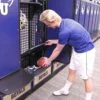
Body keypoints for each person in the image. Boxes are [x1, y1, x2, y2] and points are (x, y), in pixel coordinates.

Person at [39, 9, 95, 100]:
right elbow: (66, 39)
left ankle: (88, 98)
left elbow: (58, 50)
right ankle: (65, 90)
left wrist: (48, 61)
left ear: (52, 21)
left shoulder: (64, 31)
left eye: (47, 24)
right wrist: (53, 41)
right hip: (77, 49)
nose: (48, 26)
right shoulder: (66, 22)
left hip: (85, 53)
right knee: (71, 70)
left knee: (86, 77)